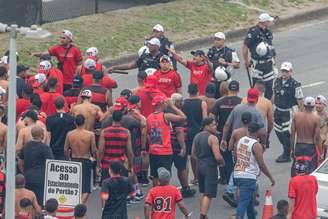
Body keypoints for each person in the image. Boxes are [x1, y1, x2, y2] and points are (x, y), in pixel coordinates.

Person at [234, 122, 275, 219]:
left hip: (238, 174)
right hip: (248, 177)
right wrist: (271, 177)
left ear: (248, 130)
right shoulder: (256, 145)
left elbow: (236, 155)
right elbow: (261, 164)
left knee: (249, 203)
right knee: (243, 203)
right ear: (257, 132)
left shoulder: (241, 140)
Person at [147, 95, 186, 186]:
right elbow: (183, 117)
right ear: (161, 104)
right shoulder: (166, 116)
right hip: (165, 151)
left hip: (153, 150)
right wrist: (173, 106)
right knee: (165, 174)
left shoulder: (149, 117)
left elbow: (148, 133)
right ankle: (164, 192)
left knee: (155, 175)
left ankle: (155, 193)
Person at [191, 117, 225, 219]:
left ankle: (203, 213)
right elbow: (217, 156)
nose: (215, 126)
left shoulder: (197, 136)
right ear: (207, 126)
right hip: (210, 167)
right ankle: (203, 216)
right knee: (209, 194)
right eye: (213, 125)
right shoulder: (212, 138)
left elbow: (193, 154)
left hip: (200, 166)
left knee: (203, 192)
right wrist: (222, 163)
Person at [211, 80, 241, 185]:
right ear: (238, 89)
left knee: (224, 156)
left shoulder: (219, 102)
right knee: (238, 156)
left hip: (222, 133)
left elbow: (212, 118)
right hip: (237, 133)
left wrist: (214, 130)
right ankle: (237, 177)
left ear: (228, 89)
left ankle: (224, 177)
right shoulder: (241, 102)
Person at [273, 62, 303, 163]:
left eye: (286, 71)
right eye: (283, 71)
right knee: (278, 131)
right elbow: (274, 95)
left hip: (288, 112)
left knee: (286, 133)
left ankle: (286, 154)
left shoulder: (295, 84)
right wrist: (269, 106)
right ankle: (287, 149)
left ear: (291, 71)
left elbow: (300, 100)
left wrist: (301, 114)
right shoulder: (277, 81)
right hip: (277, 111)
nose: (284, 73)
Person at [18, 125, 54, 206]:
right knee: (38, 203)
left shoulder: (26, 146)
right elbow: (51, 164)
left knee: (27, 203)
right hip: (40, 179)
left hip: (27, 178)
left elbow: (20, 162)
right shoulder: (45, 148)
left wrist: (24, 172)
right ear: (42, 135)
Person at [242, 13, 276, 99]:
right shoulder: (253, 32)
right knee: (256, 90)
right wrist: (246, 61)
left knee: (269, 89)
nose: (271, 23)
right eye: (269, 21)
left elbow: (271, 47)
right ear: (264, 22)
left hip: (268, 64)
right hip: (257, 65)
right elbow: (245, 47)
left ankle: (267, 108)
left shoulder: (268, 32)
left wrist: (273, 60)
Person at [64, 114, 97, 203]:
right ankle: (80, 206)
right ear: (84, 122)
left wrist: (68, 160)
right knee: (86, 189)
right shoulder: (90, 134)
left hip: (74, 160)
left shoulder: (70, 134)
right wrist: (94, 160)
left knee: (75, 185)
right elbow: (94, 150)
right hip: (85, 160)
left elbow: (65, 149)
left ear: (75, 123)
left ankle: (78, 206)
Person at [169, 93, 196, 197]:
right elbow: (179, 131)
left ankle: (163, 188)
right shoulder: (178, 115)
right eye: (181, 101)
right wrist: (183, 146)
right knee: (182, 167)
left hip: (167, 144)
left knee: (167, 167)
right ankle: (185, 189)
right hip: (176, 145)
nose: (183, 103)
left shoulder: (167, 112)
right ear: (177, 102)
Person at [98, 110, 134, 182]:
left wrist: (98, 164)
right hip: (121, 164)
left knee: (106, 188)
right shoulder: (126, 132)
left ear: (112, 118)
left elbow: (101, 150)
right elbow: (129, 152)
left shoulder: (104, 132)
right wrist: (130, 166)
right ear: (121, 119)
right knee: (121, 190)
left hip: (107, 165)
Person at [182, 83, 207, 184]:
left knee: (192, 155)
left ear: (188, 92)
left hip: (188, 131)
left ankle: (196, 177)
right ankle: (203, 176)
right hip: (199, 131)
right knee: (202, 155)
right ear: (197, 91)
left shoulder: (184, 103)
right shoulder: (202, 103)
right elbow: (205, 119)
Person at [290, 96, 321, 176]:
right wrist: (320, 153)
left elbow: (292, 135)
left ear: (304, 105)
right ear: (313, 106)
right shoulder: (316, 118)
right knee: (310, 170)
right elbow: (317, 138)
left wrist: (292, 149)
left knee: (297, 169)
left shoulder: (296, 116)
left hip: (299, 146)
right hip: (310, 147)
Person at [208, 32, 240, 98]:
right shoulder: (211, 51)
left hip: (225, 81)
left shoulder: (230, 51)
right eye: (215, 39)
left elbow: (237, 65)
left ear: (223, 40)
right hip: (214, 80)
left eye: (219, 39)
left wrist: (226, 63)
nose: (216, 41)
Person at [242, 80, 273, 148]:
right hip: (257, 134)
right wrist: (267, 134)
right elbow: (270, 122)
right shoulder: (267, 103)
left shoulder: (244, 100)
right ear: (264, 90)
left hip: (244, 132)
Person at [315, 95, 328, 160]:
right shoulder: (313, 115)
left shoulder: (326, 116)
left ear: (324, 105)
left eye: (320, 103)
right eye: (316, 103)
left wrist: (327, 141)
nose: (317, 105)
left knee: (321, 162)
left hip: (323, 144)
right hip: (313, 144)